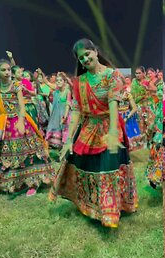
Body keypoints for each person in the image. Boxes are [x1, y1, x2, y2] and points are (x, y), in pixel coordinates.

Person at [49, 38, 138, 228]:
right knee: (87, 166)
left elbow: (113, 105)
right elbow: (76, 110)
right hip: (88, 128)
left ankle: (110, 213)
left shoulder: (112, 76)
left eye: (87, 54)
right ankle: (89, 207)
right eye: (81, 58)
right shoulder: (79, 82)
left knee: (108, 169)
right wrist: (67, 141)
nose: (85, 59)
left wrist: (113, 132)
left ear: (95, 52)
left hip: (108, 127)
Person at [0, 59, 54, 196]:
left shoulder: (16, 86)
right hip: (5, 124)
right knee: (9, 154)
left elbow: (22, 106)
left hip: (20, 122)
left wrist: (21, 121)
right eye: (3, 70)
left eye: (8, 69)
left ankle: (33, 183)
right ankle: (14, 183)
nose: (7, 72)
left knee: (28, 152)